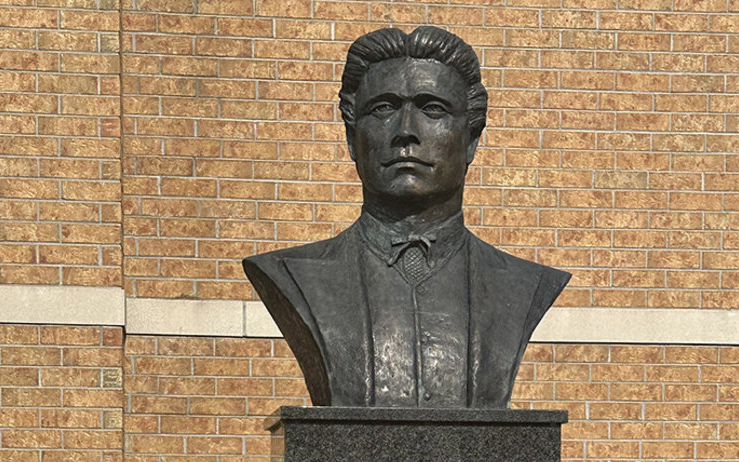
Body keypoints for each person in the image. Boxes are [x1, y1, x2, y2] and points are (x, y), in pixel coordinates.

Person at [243, 26, 569, 408]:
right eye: (383, 108)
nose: (406, 132)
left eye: (433, 109)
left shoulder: (523, 285)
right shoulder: (292, 276)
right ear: (352, 137)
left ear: (471, 139)